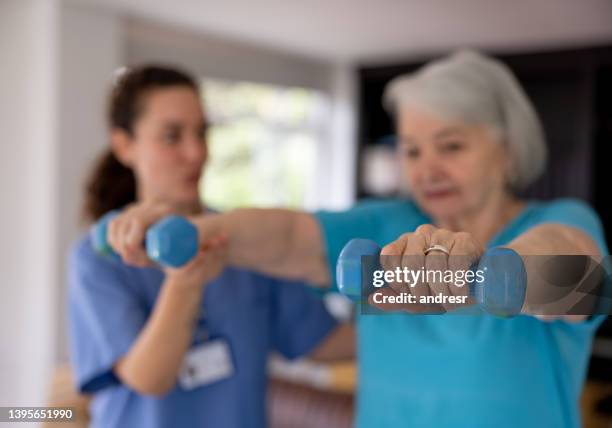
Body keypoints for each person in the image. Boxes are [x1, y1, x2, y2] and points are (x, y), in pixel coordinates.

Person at [109, 51, 609, 428]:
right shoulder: (385, 225)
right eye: (411, 151)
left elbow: (577, 275)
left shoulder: (561, 217)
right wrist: (202, 232)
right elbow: (285, 236)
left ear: (507, 149)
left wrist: (483, 275)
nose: (426, 168)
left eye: (451, 146)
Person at [68, 65, 353, 428]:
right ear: (125, 145)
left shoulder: (243, 240)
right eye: (172, 136)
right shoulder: (97, 258)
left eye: (202, 132)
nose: (197, 152)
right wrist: (186, 278)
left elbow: (320, 341)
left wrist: (420, 306)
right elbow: (148, 378)